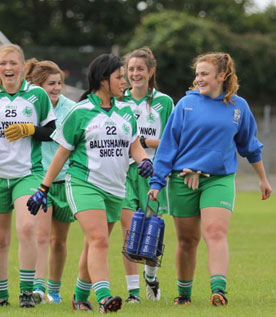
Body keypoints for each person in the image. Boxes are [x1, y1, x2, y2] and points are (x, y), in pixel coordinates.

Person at [27, 53, 154, 313]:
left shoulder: (127, 111)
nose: (125, 82)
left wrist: (144, 161)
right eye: (120, 77)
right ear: (103, 80)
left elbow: (135, 146)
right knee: (99, 240)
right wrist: (44, 188)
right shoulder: (80, 112)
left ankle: (79, 296)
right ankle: (105, 297)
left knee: (93, 243)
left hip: (116, 188)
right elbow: (62, 153)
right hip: (84, 184)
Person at [149, 52, 272, 306]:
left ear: (222, 76)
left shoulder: (239, 107)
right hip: (183, 179)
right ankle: (184, 295)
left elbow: (250, 146)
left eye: (204, 74)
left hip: (219, 179)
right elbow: (168, 147)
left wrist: (263, 179)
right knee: (187, 240)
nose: (198, 79)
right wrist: (157, 182)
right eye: (197, 74)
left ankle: (219, 291)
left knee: (215, 232)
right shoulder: (185, 104)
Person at [0, 44, 56, 308]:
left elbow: (51, 131)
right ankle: (0, 296)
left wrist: (30, 128)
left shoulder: (37, 95)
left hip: (27, 174)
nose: (8, 68)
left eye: (13, 63)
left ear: (22, 66)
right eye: (3, 63)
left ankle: (27, 293)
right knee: (0, 239)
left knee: (27, 228)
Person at [120, 47, 174, 303]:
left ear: (151, 71)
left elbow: (171, 141)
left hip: (152, 172)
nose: (135, 73)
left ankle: (150, 278)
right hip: (122, 171)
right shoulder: (119, 100)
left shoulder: (164, 102)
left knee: (152, 229)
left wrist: (144, 142)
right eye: (131, 69)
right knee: (129, 230)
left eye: (140, 68)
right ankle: (133, 294)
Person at [23, 58, 76, 304]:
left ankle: (54, 290)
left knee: (59, 240)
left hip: (66, 181)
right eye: (50, 84)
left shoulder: (72, 109)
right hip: (40, 179)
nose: (56, 88)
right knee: (41, 236)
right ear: (37, 86)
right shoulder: (31, 107)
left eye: (58, 83)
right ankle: (37, 287)